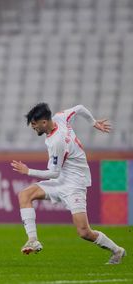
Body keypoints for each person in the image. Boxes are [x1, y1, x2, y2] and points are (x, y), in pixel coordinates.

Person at [11, 103, 126, 264]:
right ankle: (33, 240)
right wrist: (93, 122)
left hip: (74, 184)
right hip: (61, 180)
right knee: (25, 194)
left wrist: (28, 171)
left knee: (84, 232)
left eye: (34, 124)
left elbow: (53, 172)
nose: (33, 128)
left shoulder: (57, 141)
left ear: (44, 122)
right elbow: (79, 108)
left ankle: (117, 251)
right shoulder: (60, 117)